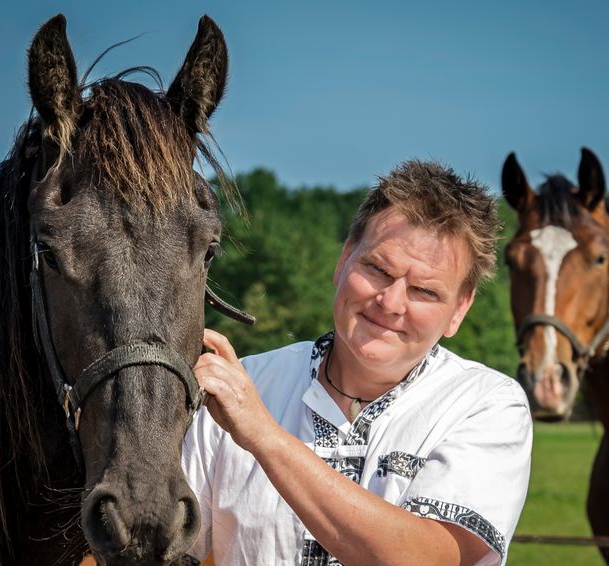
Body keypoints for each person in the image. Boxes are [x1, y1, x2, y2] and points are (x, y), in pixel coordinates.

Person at [184, 160, 532, 566]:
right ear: (343, 259)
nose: (391, 303)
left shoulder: (486, 404)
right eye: (377, 269)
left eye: (424, 291)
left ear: (460, 309)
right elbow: (157, 548)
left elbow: (426, 559)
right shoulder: (246, 384)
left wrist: (264, 435)